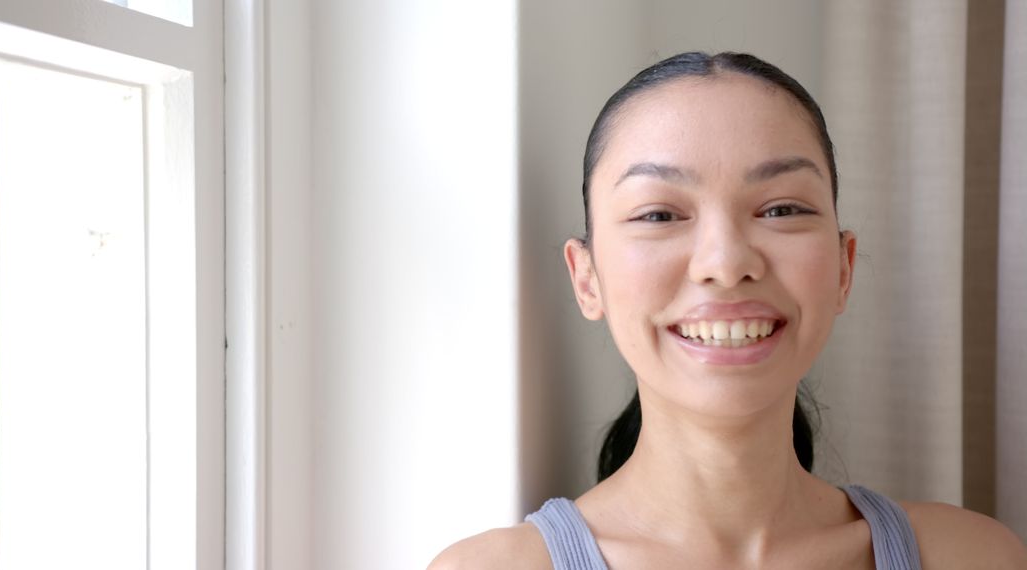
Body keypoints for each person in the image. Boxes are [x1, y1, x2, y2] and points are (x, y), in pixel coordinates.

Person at [429, 52, 1027, 569]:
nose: (726, 261)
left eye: (781, 209)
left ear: (844, 268)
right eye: (660, 215)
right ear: (586, 279)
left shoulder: (971, 558)